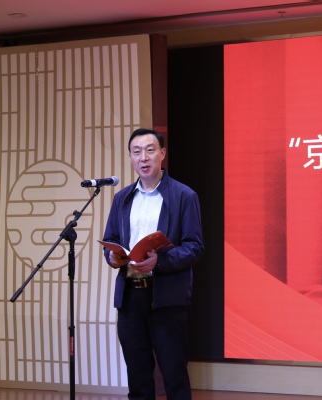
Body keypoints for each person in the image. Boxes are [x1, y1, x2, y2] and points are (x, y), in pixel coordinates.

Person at [102, 127, 205, 400]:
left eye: (150, 150)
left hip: (167, 299)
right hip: (130, 298)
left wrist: (161, 261)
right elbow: (111, 239)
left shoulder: (184, 196)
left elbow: (195, 247)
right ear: (130, 157)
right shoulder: (122, 198)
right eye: (136, 152)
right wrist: (112, 257)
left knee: (174, 378)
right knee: (138, 379)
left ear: (162, 153)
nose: (143, 158)